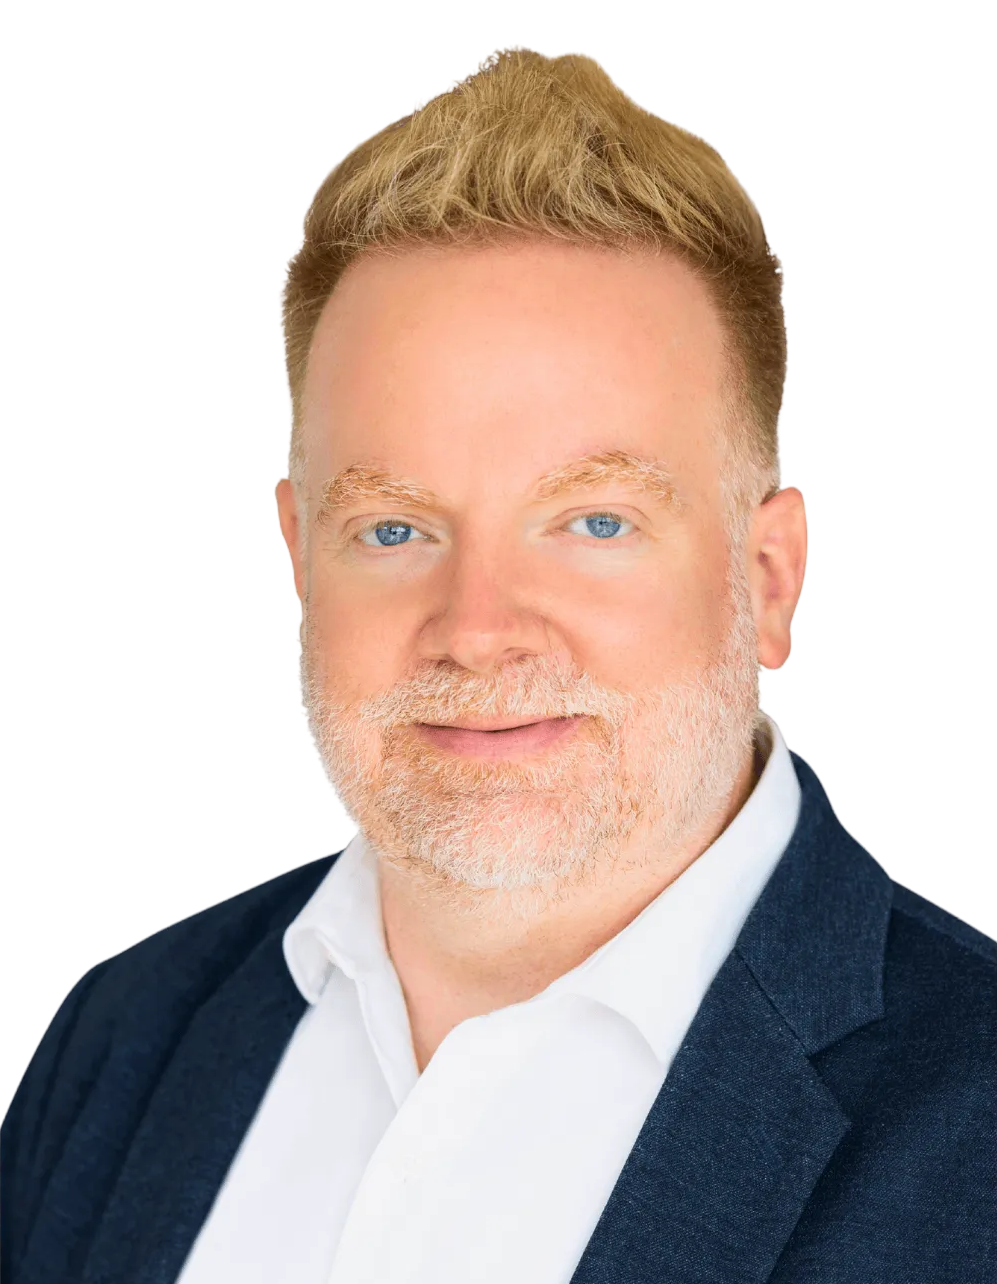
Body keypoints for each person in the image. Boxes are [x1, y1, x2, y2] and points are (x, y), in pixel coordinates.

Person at [2, 44, 993, 1284]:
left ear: (768, 579)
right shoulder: (118, 1038)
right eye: (393, 529)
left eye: (593, 522)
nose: (477, 629)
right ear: (299, 558)